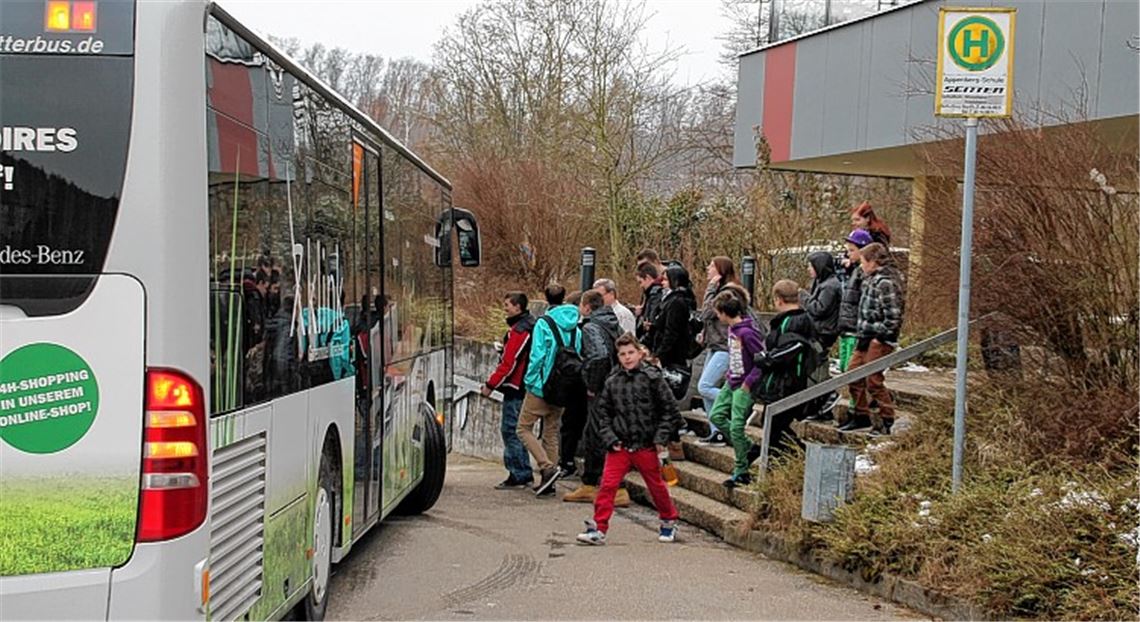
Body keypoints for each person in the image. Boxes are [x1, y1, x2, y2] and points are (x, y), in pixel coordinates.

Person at [576, 334, 682, 545]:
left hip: (647, 444)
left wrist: (661, 437)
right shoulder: (612, 381)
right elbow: (603, 414)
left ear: (640, 353)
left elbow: (670, 410)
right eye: (623, 354)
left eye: (630, 353)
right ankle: (599, 527)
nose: (627, 357)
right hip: (620, 445)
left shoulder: (653, 378)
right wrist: (610, 438)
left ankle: (669, 520)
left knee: (656, 486)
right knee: (607, 485)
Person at [564, 291, 630, 507]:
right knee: (595, 434)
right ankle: (591, 483)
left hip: (602, 390)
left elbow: (599, 356)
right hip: (617, 386)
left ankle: (613, 487)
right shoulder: (613, 323)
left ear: (586, 307)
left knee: (598, 435)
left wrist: (592, 385)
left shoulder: (591, 327)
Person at [519, 284, 582, 496]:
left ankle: (547, 467)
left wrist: (530, 380)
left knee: (523, 428)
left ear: (545, 299)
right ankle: (550, 483)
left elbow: (537, 355)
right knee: (551, 432)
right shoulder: (576, 326)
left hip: (542, 385)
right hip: (565, 387)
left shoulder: (543, 324)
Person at [752, 280, 818, 457]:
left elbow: (791, 349)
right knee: (775, 429)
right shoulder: (793, 320)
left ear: (778, 299)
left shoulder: (793, 322)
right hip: (779, 382)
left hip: (786, 384)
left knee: (775, 430)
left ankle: (805, 458)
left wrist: (767, 359)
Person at [707, 290, 765, 488]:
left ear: (724, 313)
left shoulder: (747, 333)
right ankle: (748, 448)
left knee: (736, 426)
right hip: (731, 381)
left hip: (744, 385)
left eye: (718, 312)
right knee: (716, 416)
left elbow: (760, 360)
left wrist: (749, 383)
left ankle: (741, 469)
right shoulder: (732, 331)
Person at [848, 243, 905, 437]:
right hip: (864, 336)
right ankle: (860, 413)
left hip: (878, 339)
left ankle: (886, 418)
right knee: (853, 374)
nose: (861, 266)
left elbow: (893, 316)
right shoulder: (869, 280)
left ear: (874, 262)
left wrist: (879, 337)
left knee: (873, 380)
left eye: (863, 262)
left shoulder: (886, 283)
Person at [482, 292, 536, 489]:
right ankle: (522, 473)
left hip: (516, 387)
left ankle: (519, 474)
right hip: (526, 385)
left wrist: (490, 385)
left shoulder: (519, 330)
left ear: (518, 307)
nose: (505, 308)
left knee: (511, 430)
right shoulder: (530, 325)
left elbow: (509, 363)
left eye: (508, 305)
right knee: (519, 430)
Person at [697, 257, 750, 446]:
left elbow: (706, 312)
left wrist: (710, 288)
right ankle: (717, 432)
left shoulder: (728, 292)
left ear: (720, 270)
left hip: (725, 346)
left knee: (704, 386)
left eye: (711, 266)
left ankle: (738, 403)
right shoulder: (722, 290)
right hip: (714, 344)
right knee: (705, 390)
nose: (708, 268)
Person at [837, 229, 874, 431]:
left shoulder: (864, 274)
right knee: (844, 369)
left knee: (854, 373)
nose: (848, 254)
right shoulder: (853, 271)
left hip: (855, 329)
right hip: (846, 327)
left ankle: (857, 410)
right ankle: (855, 408)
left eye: (851, 250)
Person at [801, 251, 843, 422]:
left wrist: (804, 297)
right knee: (814, 368)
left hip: (824, 332)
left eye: (811, 266)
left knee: (817, 368)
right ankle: (819, 405)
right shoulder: (822, 283)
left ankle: (827, 396)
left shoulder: (830, 286)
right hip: (818, 331)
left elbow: (819, 308)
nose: (809, 270)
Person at [634, 262, 664, 341]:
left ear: (647, 278)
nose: (641, 286)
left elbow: (650, 322)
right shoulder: (651, 295)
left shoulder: (655, 295)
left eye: (640, 282)